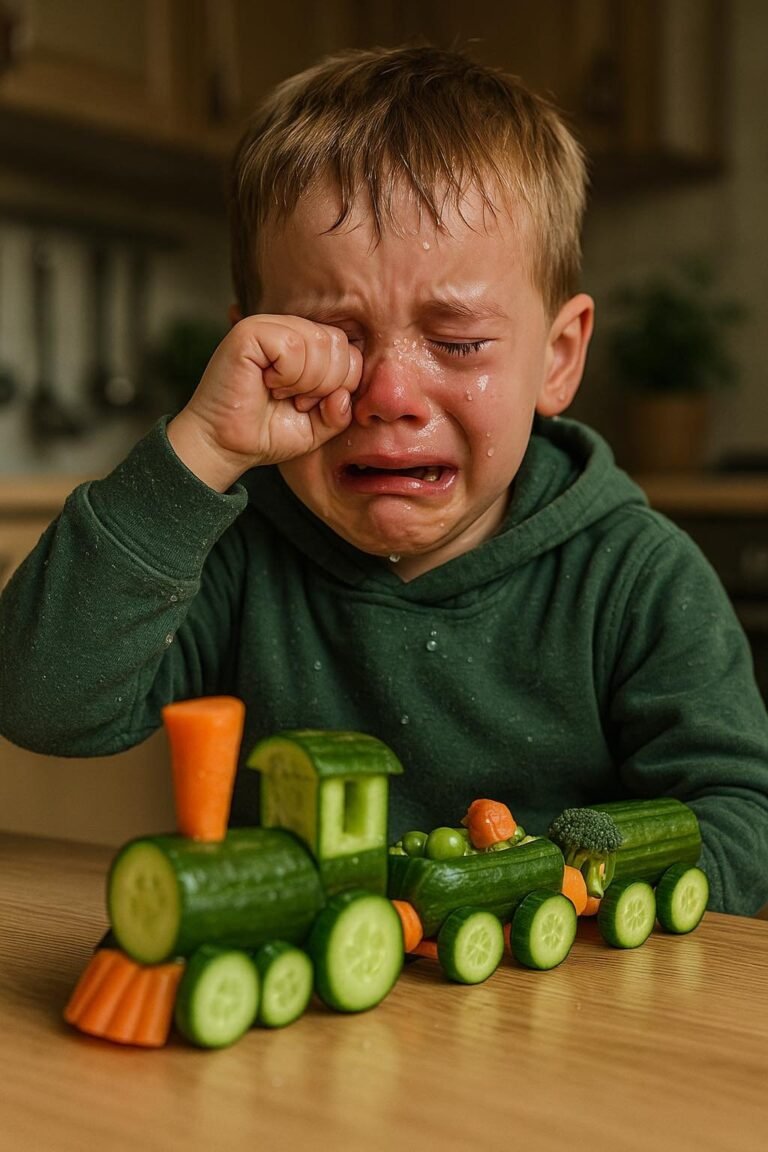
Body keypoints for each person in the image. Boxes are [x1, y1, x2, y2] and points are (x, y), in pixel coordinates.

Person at [0, 45, 766, 915]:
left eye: (458, 342)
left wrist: (560, 904)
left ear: (557, 360)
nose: (391, 396)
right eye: (336, 338)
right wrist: (202, 447)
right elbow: (42, 704)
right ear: (253, 348)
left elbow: (739, 821)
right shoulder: (235, 552)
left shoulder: (637, 577)